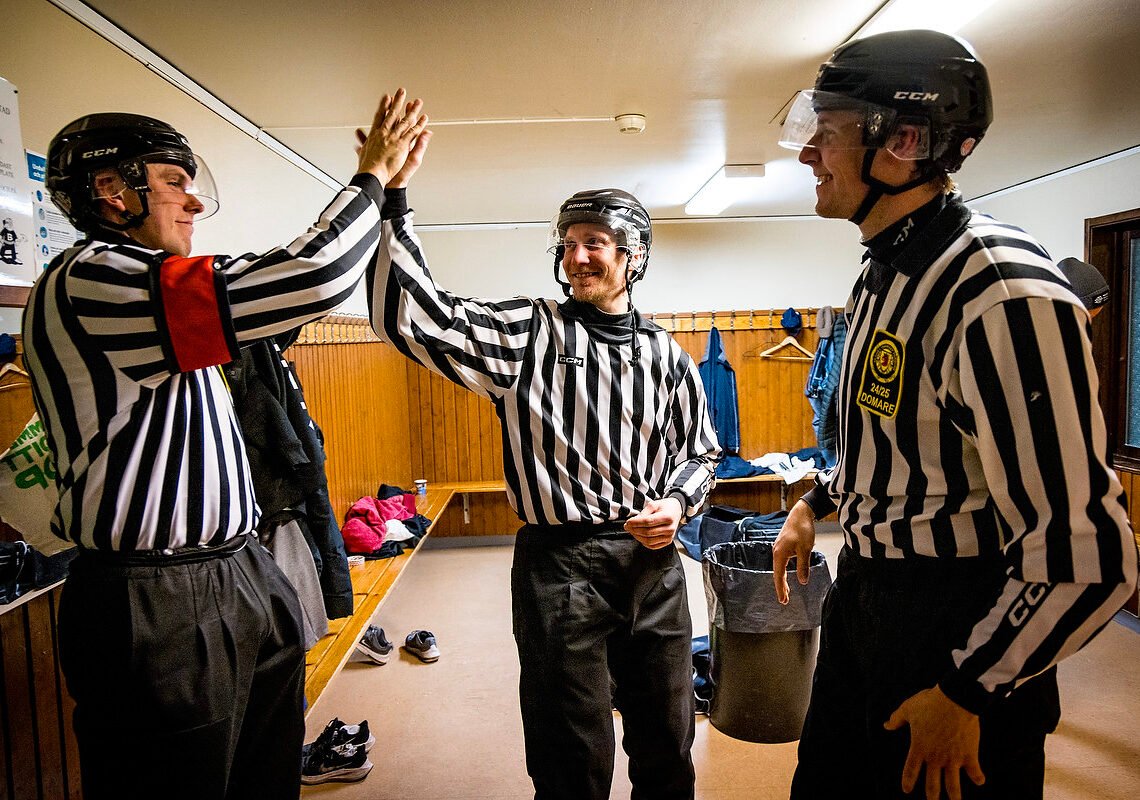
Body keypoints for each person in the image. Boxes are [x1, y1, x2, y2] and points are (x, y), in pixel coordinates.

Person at [22, 91, 427, 799]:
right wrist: (371, 175)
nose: (194, 202)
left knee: (263, 772)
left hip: (233, 566)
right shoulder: (94, 278)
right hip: (154, 593)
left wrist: (389, 197)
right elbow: (314, 278)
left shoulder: (141, 285)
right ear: (111, 188)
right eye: (173, 181)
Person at [770, 29, 1137, 800]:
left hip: (953, 627)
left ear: (903, 143)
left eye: (828, 132)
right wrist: (815, 504)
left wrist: (970, 691)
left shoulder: (1000, 290)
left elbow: (1089, 556)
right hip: (864, 598)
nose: (807, 153)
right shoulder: (883, 270)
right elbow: (897, 436)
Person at [368, 129, 720, 799]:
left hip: (652, 567)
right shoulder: (528, 332)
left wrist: (677, 504)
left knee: (667, 744)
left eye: (595, 243)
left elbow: (701, 451)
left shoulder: (666, 354)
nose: (576, 256)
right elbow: (412, 319)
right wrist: (394, 200)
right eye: (568, 243)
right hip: (560, 566)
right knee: (571, 756)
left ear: (634, 256)